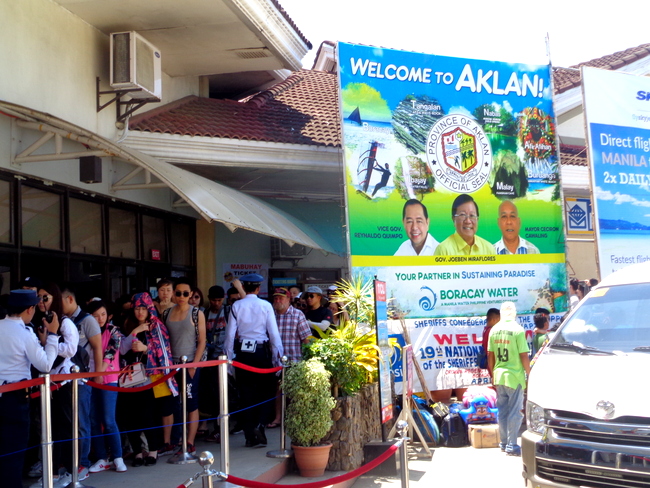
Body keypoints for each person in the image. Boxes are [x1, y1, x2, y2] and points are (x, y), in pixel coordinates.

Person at [0, 290, 60, 488]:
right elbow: (45, 365)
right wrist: (52, 335)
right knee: (14, 452)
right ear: (29, 309)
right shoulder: (24, 333)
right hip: (15, 399)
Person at [224, 273, 284, 447]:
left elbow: (229, 335)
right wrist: (277, 360)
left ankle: (250, 435)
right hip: (261, 352)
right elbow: (273, 335)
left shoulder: (237, 305)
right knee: (266, 393)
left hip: (243, 353)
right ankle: (260, 425)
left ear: (244, 287)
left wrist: (228, 360)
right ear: (258, 288)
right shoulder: (265, 305)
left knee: (246, 395)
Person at [31, 282, 81, 488]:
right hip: (46, 382)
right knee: (49, 431)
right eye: (39, 297)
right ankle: (51, 474)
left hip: (64, 382)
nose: (42, 301)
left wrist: (48, 341)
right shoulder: (39, 320)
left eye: (46, 297)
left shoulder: (65, 322)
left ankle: (71, 472)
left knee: (66, 429)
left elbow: (71, 349)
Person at [120, 292, 178, 466]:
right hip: (128, 377)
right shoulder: (127, 324)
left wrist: (146, 349)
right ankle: (138, 452)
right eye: (137, 308)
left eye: (143, 308)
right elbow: (121, 350)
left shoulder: (157, 326)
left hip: (149, 377)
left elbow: (164, 353)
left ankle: (153, 450)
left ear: (149, 309)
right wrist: (136, 331)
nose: (140, 312)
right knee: (131, 417)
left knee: (148, 416)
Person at [61, 284, 103, 478]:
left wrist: (98, 374)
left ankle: (83, 463)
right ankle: (70, 461)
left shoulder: (87, 320)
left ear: (70, 299)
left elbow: (97, 348)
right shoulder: (60, 320)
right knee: (69, 422)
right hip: (64, 379)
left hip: (83, 379)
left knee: (82, 422)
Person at [162, 279, 206, 454]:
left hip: (190, 363)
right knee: (170, 402)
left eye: (185, 293)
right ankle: (168, 441)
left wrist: (194, 364)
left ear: (190, 295)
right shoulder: (166, 313)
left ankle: (189, 441)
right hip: (170, 364)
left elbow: (202, 341)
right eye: (178, 293)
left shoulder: (197, 313)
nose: (181, 296)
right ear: (174, 294)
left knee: (190, 402)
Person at [86, 300, 127, 473]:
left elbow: (110, 354)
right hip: (89, 378)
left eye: (103, 314)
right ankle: (101, 458)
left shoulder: (114, 331)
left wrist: (100, 375)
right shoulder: (86, 330)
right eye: (95, 315)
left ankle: (117, 457)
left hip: (108, 378)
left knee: (109, 420)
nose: (100, 318)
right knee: (94, 419)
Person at [487, 301, 530, 457]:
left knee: (503, 411)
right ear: (514, 313)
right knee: (515, 412)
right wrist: (529, 373)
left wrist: (493, 374)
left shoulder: (494, 330)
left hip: (499, 376)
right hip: (514, 376)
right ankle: (512, 445)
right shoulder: (518, 330)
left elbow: (490, 355)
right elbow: (524, 355)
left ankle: (504, 443)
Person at [267, 287, 312, 428]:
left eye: (281, 298)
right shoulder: (270, 315)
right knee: (277, 391)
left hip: (294, 360)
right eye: (275, 298)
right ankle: (278, 418)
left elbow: (306, 339)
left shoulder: (298, 315)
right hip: (275, 361)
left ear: (288, 300)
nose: (278, 301)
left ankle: (294, 419)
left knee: (294, 392)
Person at [199, 285, 227, 442]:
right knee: (211, 395)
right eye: (214, 300)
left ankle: (220, 429)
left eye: (219, 300)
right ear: (209, 299)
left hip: (223, 360)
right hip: (207, 359)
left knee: (222, 396)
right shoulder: (204, 313)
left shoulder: (228, 312)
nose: (217, 303)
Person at [480, 308, 500, 376]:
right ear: (493, 320)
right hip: (493, 363)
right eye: (499, 320)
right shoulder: (491, 331)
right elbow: (491, 352)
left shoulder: (486, 329)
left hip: (492, 363)